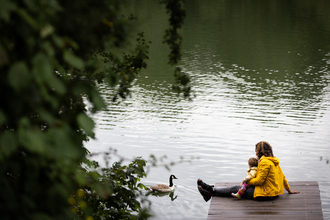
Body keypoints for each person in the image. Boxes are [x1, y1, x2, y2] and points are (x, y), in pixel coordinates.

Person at [197, 141, 300, 202]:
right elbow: (283, 177)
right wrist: (288, 190)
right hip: (273, 192)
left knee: (237, 188)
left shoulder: (264, 162)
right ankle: (209, 190)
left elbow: (259, 181)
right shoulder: (274, 161)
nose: (255, 154)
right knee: (238, 188)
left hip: (265, 194)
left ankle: (210, 191)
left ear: (260, 152)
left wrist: (247, 182)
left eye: (256, 151)